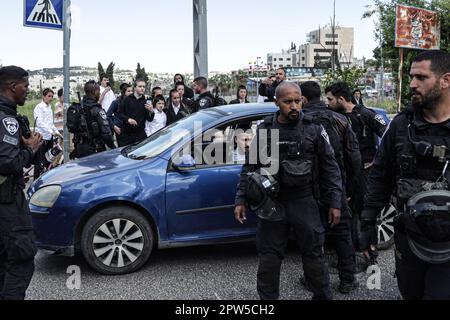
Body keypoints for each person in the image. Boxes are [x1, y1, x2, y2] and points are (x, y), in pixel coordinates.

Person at [234, 82, 342, 300]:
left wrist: (335, 202)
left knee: (313, 256)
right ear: (276, 103)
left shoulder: (313, 128)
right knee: (269, 258)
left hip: (304, 200)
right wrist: (241, 199)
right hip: (272, 203)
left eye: (297, 101)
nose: (294, 106)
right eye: (287, 102)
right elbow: (250, 167)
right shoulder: (265, 130)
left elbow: (330, 168)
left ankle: (322, 296)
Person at [360, 50, 450, 300]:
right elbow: (380, 176)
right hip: (410, 240)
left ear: (446, 80)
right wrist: (367, 224)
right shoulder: (400, 126)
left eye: (421, 77)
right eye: (411, 77)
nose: (412, 84)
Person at [300, 81, 361, 293]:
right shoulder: (340, 120)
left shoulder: (300, 121)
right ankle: (347, 280)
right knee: (343, 234)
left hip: (308, 189)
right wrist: (351, 190)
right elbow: (354, 159)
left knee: (313, 237)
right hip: (337, 187)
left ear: (304, 99)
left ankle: (314, 280)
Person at [325, 82, 387, 254]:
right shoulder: (333, 117)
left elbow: (388, 135)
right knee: (347, 212)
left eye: (330, 99)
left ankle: (369, 250)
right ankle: (351, 251)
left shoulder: (366, 114)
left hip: (365, 171)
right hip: (344, 172)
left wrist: (379, 160)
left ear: (341, 99)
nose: (327, 102)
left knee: (365, 212)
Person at [0, 66, 43, 300]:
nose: (28, 91)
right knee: (21, 260)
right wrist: (31, 150)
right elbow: (8, 163)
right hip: (7, 202)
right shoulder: (8, 120)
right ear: (13, 87)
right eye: (25, 86)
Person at [73, 80, 116, 158]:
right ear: (94, 91)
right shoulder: (97, 110)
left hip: (80, 148)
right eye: (98, 91)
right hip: (95, 149)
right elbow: (106, 133)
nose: (99, 93)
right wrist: (113, 147)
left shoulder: (78, 107)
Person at [33, 88, 63, 179]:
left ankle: (45, 179)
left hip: (49, 137)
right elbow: (40, 123)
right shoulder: (39, 107)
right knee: (39, 161)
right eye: (49, 96)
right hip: (41, 137)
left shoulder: (49, 107)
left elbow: (51, 123)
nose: (50, 98)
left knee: (48, 159)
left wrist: (57, 133)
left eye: (52, 96)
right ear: (43, 96)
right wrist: (51, 131)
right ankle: (36, 179)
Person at [117, 79, 154, 146]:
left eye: (143, 86)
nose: (142, 88)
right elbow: (119, 113)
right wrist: (128, 119)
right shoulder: (127, 99)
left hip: (140, 135)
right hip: (127, 134)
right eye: (140, 86)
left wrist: (151, 111)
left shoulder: (146, 101)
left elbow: (149, 119)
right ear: (135, 88)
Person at [107, 83, 133, 147]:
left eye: (131, 91)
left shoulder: (132, 101)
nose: (131, 93)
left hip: (131, 130)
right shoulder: (116, 102)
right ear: (123, 92)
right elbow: (107, 116)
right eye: (128, 91)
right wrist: (114, 127)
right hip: (121, 131)